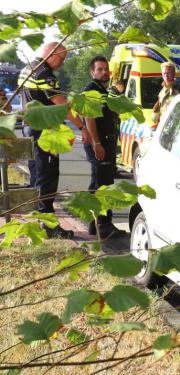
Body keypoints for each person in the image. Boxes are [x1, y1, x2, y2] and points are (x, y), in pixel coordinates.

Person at [18, 41, 91, 238]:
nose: (62, 63)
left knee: (37, 174)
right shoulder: (45, 74)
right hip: (45, 132)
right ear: (51, 55)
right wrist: (82, 127)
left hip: (29, 128)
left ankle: (38, 219)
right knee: (48, 177)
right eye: (61, 59)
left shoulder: (27, 69)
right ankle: (48, 225)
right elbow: (62, 106)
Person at [82, 56, 124, 238]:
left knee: (97, 183)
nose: (104, 72)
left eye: (106, 69)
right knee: (103, 185)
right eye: (99, 69)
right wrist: (96, 143)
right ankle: (104, 224)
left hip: (105, 142)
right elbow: (89, 118)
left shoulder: (102, 90)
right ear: (92, 72)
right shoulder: (92, 90)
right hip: (100, 143)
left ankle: (95, 224)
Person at [151, 62, 180, 128]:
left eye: (168, 73)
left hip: (176, 128)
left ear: (174, 73)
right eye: (164, 73)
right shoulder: (162, 91)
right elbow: (159, 109)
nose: (166, 75)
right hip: (163, 127)